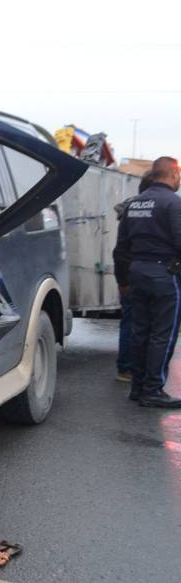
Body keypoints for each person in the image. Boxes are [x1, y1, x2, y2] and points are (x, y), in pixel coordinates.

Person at [113, 156, 181, 408]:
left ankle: (138, 387)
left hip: (136, 272)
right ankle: (153, 389)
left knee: (140, 331)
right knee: (162, 334)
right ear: (173, 173)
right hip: (164, 274)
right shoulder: (173, 203)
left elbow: (121, 246)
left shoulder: (134, 204)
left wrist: (123, 279)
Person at [114, 171, 157, 383]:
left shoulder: (131, 209)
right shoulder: (152, 211)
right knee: (137, 323)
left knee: (132, 322)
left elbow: (120, 251)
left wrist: (122, 280)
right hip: (139, 276)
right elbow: (122, 251)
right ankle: (129, 368)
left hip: (130, 275)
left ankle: (129, 368)